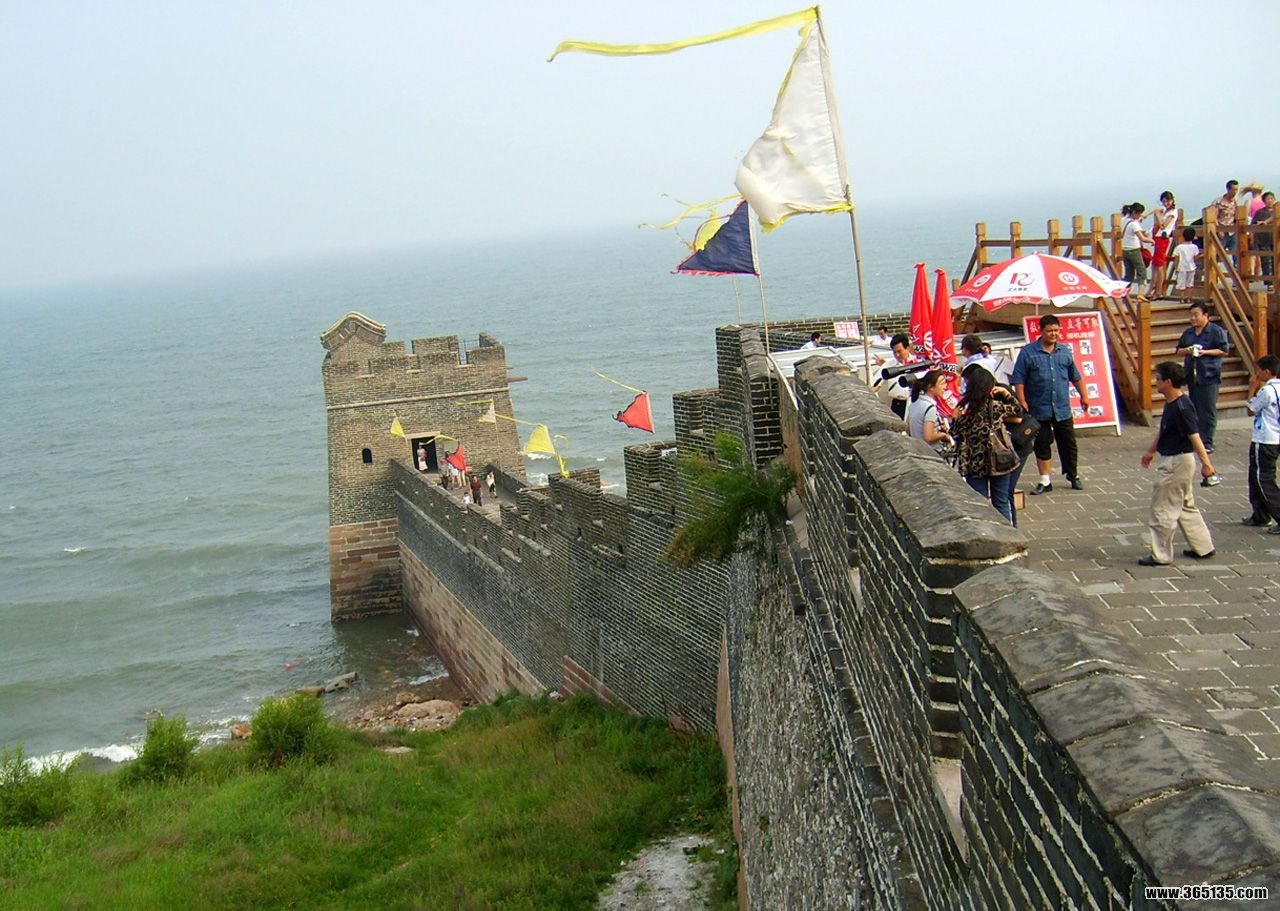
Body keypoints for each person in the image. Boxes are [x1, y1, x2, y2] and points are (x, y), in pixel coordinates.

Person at [1138, 362, 1217, 565]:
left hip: (1177, 462)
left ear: (1168, 382)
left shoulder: (1182, 407)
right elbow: (1165, 429)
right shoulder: (1174, 403)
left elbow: (1194, 435)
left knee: (1162, 508)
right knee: (1185, 506)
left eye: (1158, 379)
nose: (1156, 382)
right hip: (1177, 460)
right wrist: (1152, 450)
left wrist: (1206, 464)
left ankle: (1161, 555)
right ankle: (1203, 546)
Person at [1012, 314, 1090, 494]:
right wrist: (1022, 401)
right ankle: (1045, 480)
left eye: (1056, 330)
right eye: (1049, 331)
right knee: (1042, 444)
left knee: (1069, 443)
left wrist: (1084, 396)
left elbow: (1075, 376)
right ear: (1041, 331)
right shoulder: (1028, 352)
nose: (1053, 334)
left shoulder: (1064, 351)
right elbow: (1019, 379)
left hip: (1062, 408)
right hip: (1038, 408)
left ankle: (1073, 475)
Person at [951, 367, 1021, 524]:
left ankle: (986, 531)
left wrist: (954, 419)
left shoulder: (963, 409)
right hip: (999, 460)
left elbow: (955, 434)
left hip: (974, 463)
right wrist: (1006, 394)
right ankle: (1006, 533)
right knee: (1001, 502)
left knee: (980, 505)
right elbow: (1018, 410)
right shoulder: (995, 407)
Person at [1174, 303, 1230, 452]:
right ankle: (1195, 439)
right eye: (1191, 315)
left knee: (1208, 409)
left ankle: (1207, 441)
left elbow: (1224, 350)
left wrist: (1205, 352)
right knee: (1195, 407)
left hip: (1209, 374)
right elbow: (1178, 350)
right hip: (1192, 375)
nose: (1193, 318)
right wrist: (1187, 350)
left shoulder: (1216, 331)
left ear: (1205, 315)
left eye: (1196, 315)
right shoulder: (1189, 332)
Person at [1243, 355, 1280, 533]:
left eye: (1258, 371)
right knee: (1254, 476)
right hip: (1276, 436)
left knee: (1263, 478)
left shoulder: (1266, 391)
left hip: (1265, 438)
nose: (1256, 374)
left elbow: (1251, 410)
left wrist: (1251, 389)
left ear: (1266, 372)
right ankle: (1260, 514)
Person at [906, 370, 953, 456]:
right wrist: (943, 435)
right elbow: (928, 437)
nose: (945, 387)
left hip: (918, 449)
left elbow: (909, 428)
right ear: (931, 387)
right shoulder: (930, 408)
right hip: (932, 451)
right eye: (942, 383)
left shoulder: (914, 403)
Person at [1150, 191, 1178, 298]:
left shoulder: (1172, 212)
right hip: (1158, 237)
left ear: (1172, 200)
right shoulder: (1165, 211)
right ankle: (1153, 289)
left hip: (1162, 238)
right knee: (1155, 265)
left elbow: (1163, 226)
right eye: (1164, 201)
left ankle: (1158, 291)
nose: (1166, 203)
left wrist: (1157, 214)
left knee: (1159, 265)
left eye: (1167, 201)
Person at [1121, 202, 1152, 292]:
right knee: (1141, 272)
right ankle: (1140, 293)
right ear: (1135, 212)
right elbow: (1142, 238)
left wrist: (1152, 211)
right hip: (1134, 250)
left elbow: (1141, 218)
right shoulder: (1134, 224)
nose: (1140, 216)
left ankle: (1123, 294)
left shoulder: (1124, 220)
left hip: (1125, 250)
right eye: (1139, 214)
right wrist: (1151, 240)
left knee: (1129, 274)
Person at [885, 333, 916, 418]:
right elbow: (876, 384)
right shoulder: (889, 365)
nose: (897, 355)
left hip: (914, 403)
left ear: (907, 348)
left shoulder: (917, 363)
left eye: (899, 351)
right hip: (898, 404)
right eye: (894, 352)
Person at [1213, 179, 1240, 256]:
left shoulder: (1235, 201)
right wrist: (1219, 230)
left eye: (1236, 190)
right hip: (1222, 230)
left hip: (1233, 231)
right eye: (1233, 190)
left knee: (1236, 254)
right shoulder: (1218, 202)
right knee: (1219, 253)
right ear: (1228, 189)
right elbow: (1213, 217)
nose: (1235, 192)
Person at [1172, 227, 1200, 301]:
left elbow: (1176, 259)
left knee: (1181, 283)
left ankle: (1182, 298)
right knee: (1190, 283)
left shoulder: (1179, 247)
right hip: (1191, 267)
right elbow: (1196, 258)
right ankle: (1189, 298)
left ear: (1183, 236)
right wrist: (1202, 256)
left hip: (1181, 267)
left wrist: (1176, 268)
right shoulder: (1195, 247)